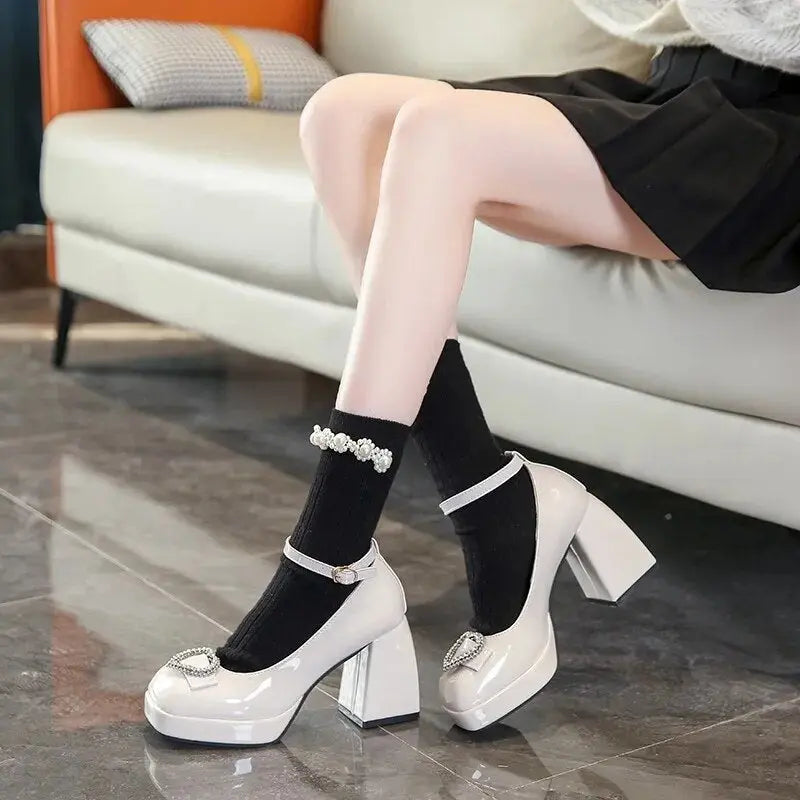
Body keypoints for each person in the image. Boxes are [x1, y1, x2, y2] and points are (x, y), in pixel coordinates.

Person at [143, 0, 800, 744]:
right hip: (681, 88)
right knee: (342, 114)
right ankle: (495, 505)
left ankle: (331, 559)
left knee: (438, 131)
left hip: (774, 131)